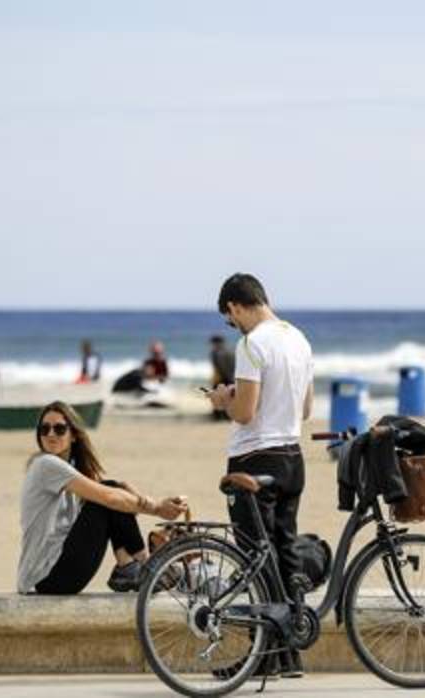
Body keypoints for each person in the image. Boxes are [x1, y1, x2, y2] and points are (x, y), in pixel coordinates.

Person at [206, 273, 314, 679]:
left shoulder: (251, 344)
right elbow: (304, 409)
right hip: (292, 456)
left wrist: (222, 401)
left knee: (255, 555)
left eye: (229, 319)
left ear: (235, 307)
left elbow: (245, 414)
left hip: (254, 459)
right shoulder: (299, 339)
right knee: (284, 553)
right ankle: (288, 655)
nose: (232, 326)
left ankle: (263, 657)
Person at [18, 401, 187, 594]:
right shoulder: (45, 464)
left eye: (59, 429)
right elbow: (109, 497)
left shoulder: (68, 470)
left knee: (112, 490)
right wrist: (156, 507)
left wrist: (130, 494)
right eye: (44, 429)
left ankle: (130, 566)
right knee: (108, 495)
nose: (50, 434)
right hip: (46, 578)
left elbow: (113, 496)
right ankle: (142, 566)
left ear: (73, 435)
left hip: (56, 573)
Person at [208, 335, 236, 420]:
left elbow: (221, 368)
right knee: (228, 398)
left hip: (221, 378)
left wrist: (226, 378)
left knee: (218, 398)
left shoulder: (216, 353)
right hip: (229, 378)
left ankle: (218, 416)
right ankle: (227, 416)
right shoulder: (230, 351)